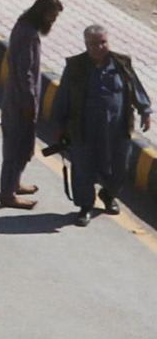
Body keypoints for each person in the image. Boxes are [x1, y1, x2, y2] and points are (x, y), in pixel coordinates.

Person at [52, 25, 153, 223]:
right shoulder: (75, 67)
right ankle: (85, 207)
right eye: (93, 44)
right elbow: (62, 97)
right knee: (83, 168)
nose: (99, 47)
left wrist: (145, 111)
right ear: (86, 45)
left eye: (103, 42)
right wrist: (59, 126)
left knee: (119, 167)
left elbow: (135, 88)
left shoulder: (121, 63)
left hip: (117, 129)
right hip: (84, 129)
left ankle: (109, 195)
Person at [0, 0, 62, 210]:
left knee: (23, 145)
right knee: (16, 147)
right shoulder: (28, 35)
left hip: (16, 97)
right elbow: (25, 72)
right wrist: (29, 102)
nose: (52, 22)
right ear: (41, 13)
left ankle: (14, 184)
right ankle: (7, 194)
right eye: (51, 18)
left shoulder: (24, 27)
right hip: (21, 101)